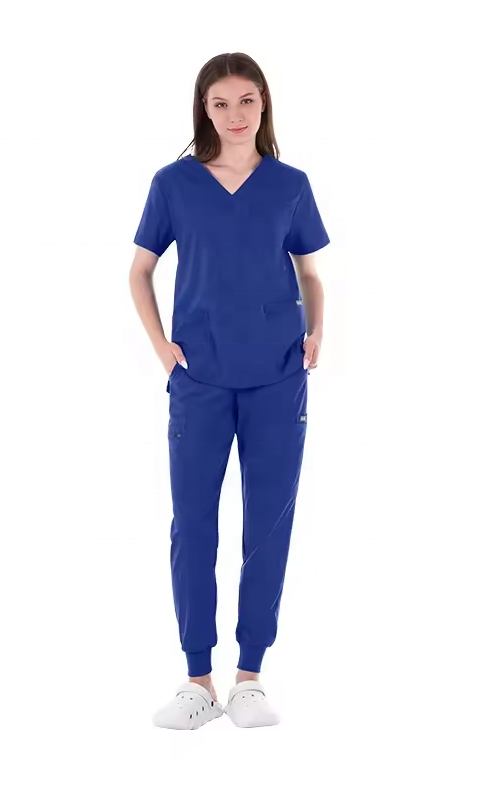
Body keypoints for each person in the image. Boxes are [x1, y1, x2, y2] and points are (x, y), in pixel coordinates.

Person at [129, 52, 330, 729]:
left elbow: (310, 273)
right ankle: (197, 680)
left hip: (278, 376)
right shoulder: (174, 184)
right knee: (193, 525)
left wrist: (317, 332)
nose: (235, 114)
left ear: (264, 104)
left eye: (247, 101)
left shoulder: (290, 184)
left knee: (268, 524)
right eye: (221, 104)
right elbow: (139, 272)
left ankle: (250, 678)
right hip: (200, 379)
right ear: (204, 110)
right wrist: (163, 350)